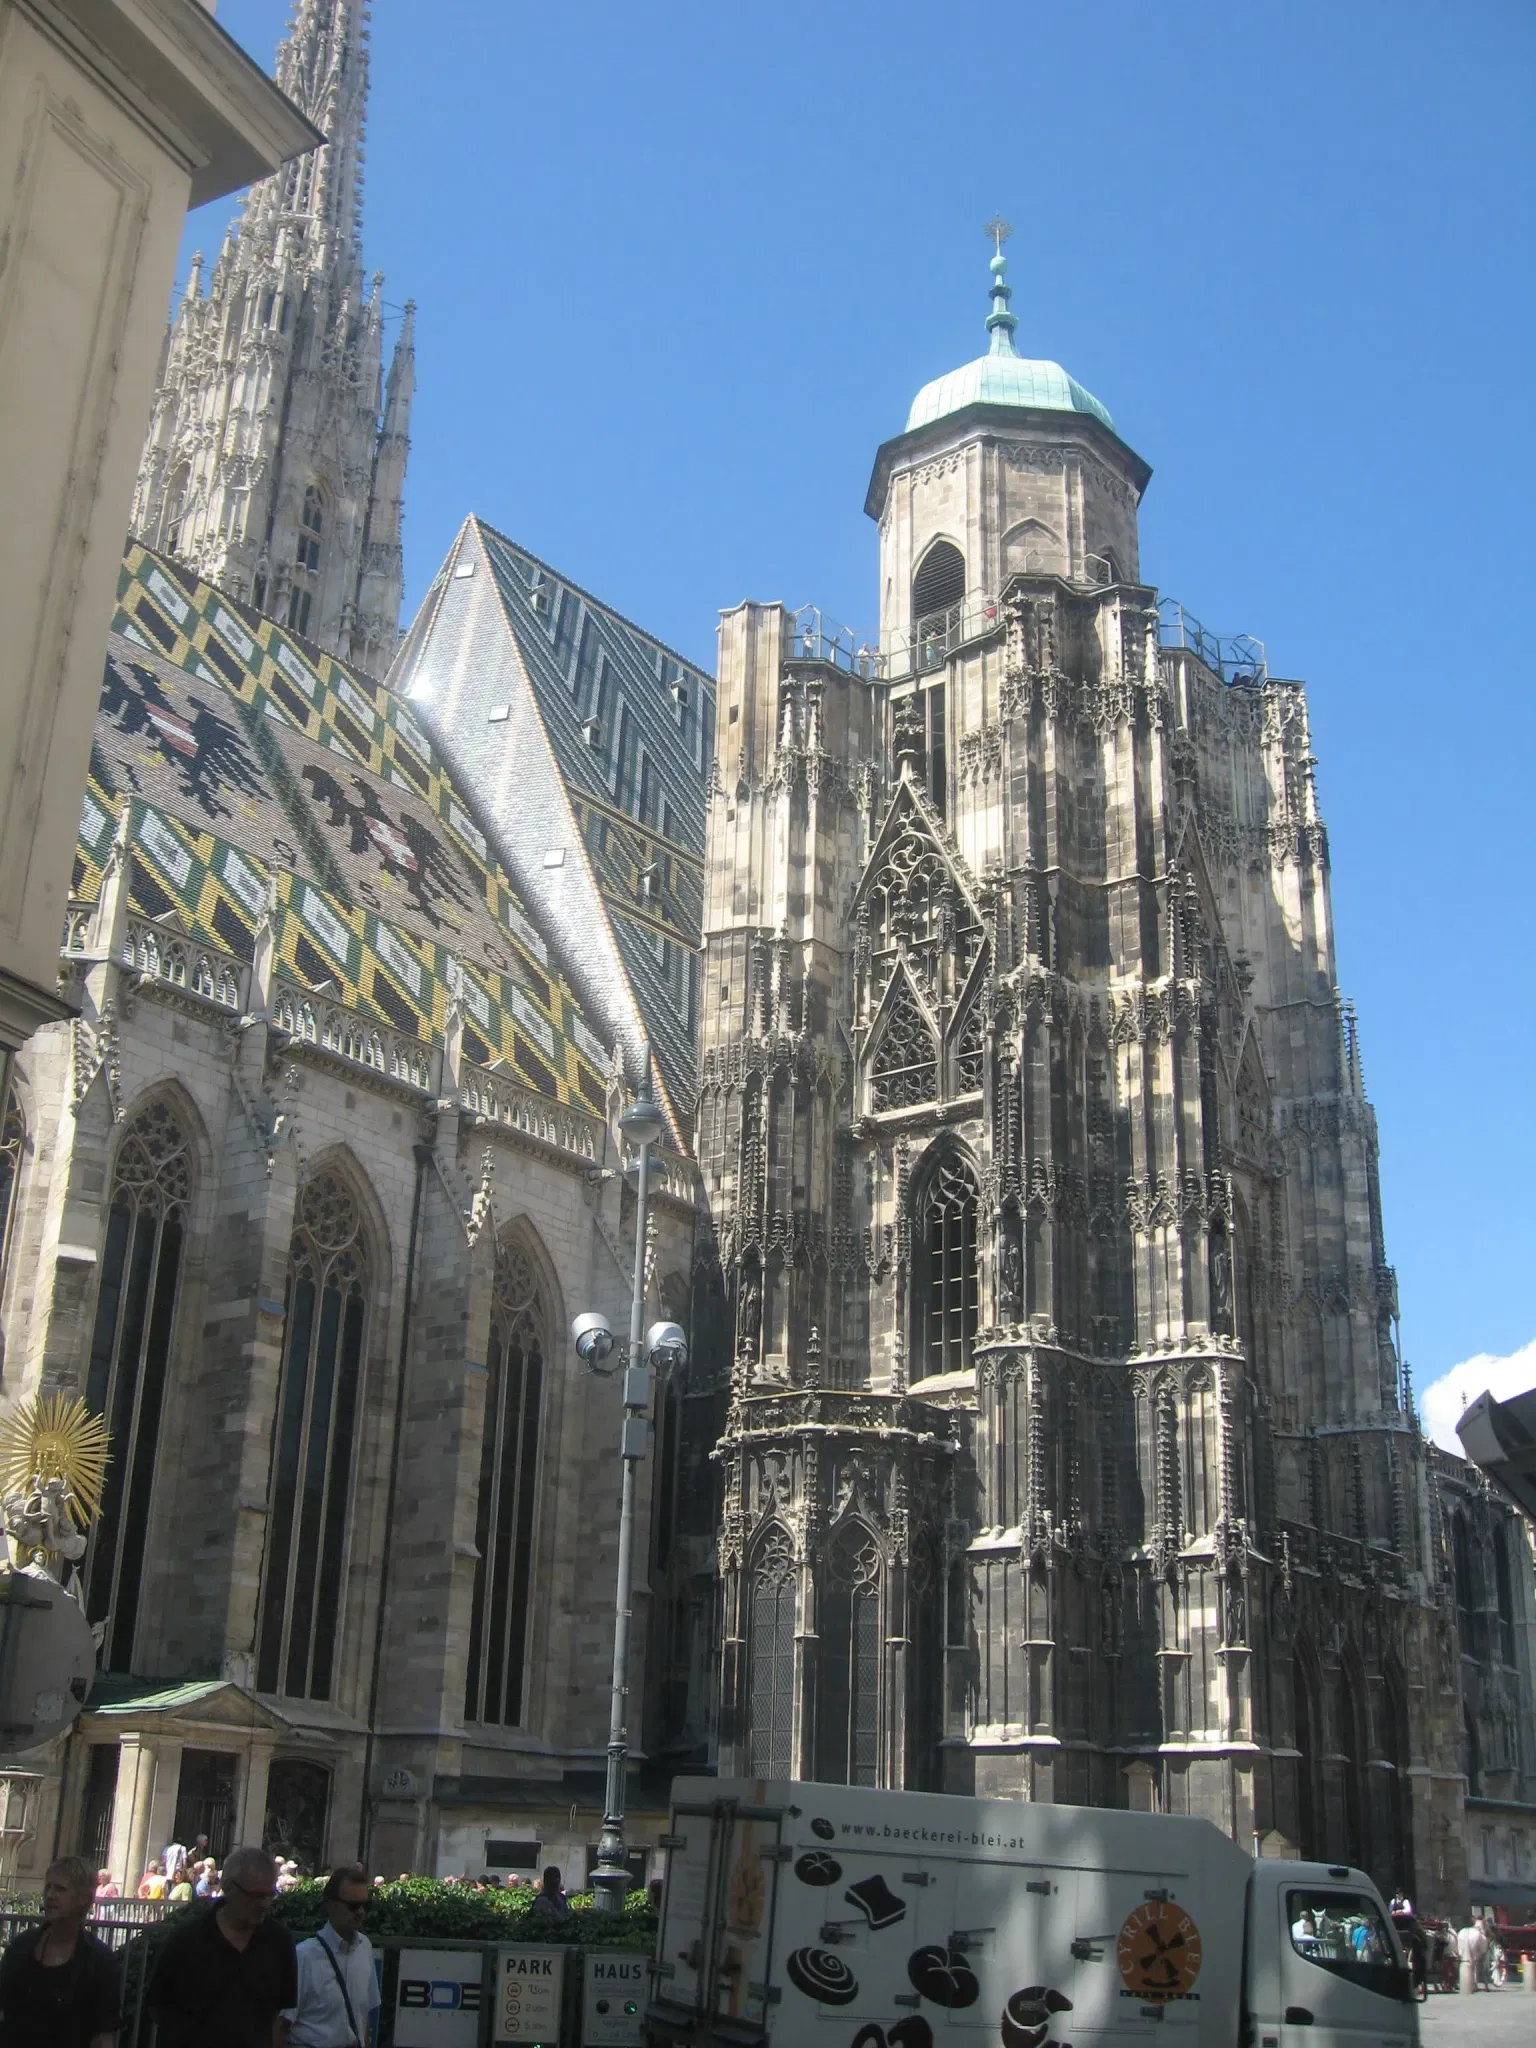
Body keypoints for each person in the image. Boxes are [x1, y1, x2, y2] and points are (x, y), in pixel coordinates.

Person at [145, 1844, 297, 2048]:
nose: (265, 1904)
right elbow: (158, 2007)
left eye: (270, 1895)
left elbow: (278, 2017)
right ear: (228, 1888)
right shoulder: (186, 1940)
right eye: (256, 1896)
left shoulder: (279, 1942)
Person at [0, 1854, 122, 2048]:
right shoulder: (20, 1948)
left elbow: (103, 2034)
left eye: (60, 1889)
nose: (50, 1895)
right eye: (48, 1887)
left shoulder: (99, 1961)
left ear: (83, 1898)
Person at [280, 1865, 379, 2048]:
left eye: (365, 1905)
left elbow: (362, 2018)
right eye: (353, 1906)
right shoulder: (304, 1956)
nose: (360, 1912)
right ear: (331, 1906)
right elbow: (281, 2025)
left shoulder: (365, 1947)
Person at [1455, 1915, 1487, 1994]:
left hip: (1463, 1946)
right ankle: (1474, 1983)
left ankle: (1464, 1982)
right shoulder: (1479, 1929)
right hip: (1476, 1946)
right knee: (1474, 1964)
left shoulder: (1462, 1931)